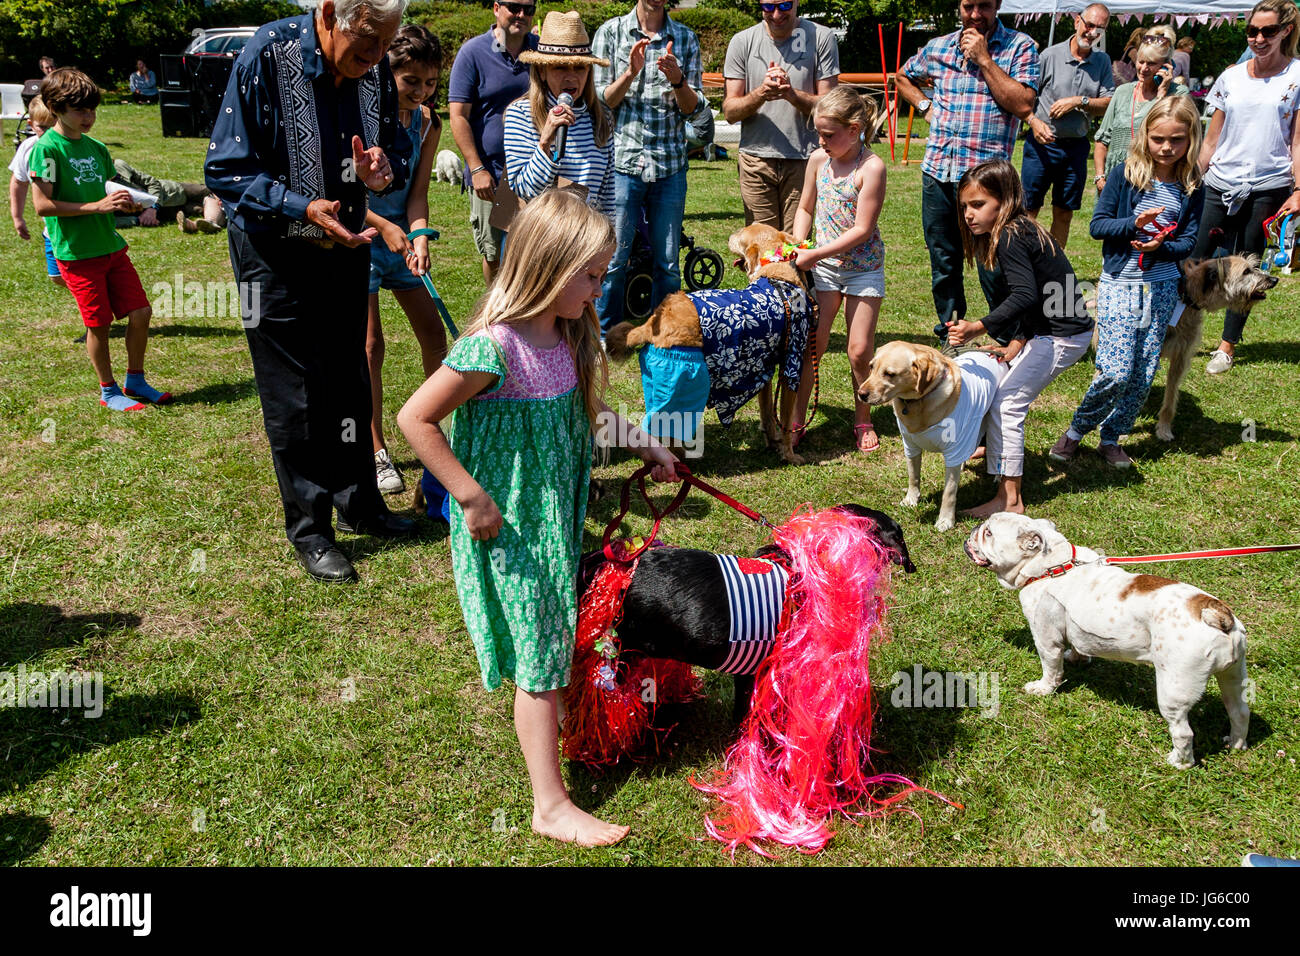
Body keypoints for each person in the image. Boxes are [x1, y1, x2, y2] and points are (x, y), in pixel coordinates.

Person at [396, 189, 679, 847]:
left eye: (602, 274)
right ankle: (548, 806)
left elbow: (586, 414)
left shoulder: (566, 337)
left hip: (553, 521)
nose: (598, 288)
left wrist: (644, 442)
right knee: (540, 660)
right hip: (509, 528)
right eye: (590, 275)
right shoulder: (490, 350)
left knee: (549, 643)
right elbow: (416, 418)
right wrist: (469, 495)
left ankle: (560, 764)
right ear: (548, 268)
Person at [204, 0, 417, 583]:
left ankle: (361, 503)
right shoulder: (266, 54)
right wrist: (302, 208)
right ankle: (312, 528)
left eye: (385, 44)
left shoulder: (372, 69)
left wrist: (382, 169)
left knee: (347, 375)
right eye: (367, 40)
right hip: (275, 250)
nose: (376, 57)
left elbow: (394, 146)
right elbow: (224, 171)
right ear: (329, 13)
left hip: (343, 244)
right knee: (294, 392)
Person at [1051, 96, 1204, 470]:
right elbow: (1098, 226)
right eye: (1158, 139)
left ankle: (1111, 437)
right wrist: (1134, 225)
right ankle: (1075, 431)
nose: (1166, 147)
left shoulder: (1193, 185)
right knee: (1115, 369)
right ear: (1144, 136)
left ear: (1191, 139)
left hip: (1163, 287)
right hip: (1121, 282)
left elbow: (1188, 243)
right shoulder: (1125, 174)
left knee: (1142, 371)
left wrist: (1161, 244)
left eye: (1177, 140)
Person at [946, 160, 1094, 516]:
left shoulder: (1012, 235)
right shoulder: (1020, 229)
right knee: (1003, 394)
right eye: (964, 205)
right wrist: (1016, 342)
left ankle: (1010, 501)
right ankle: (995, 461)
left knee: (1008, 403)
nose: (968, 214)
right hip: (1051, 329)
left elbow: (1025, 296)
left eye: (978, 205)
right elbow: (1041, 295)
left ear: (1005, 200)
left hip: (1063, 335)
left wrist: (976, 326)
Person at [895, 0, 1039, 334]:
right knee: (944, 262)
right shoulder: (939, 47)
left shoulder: (1021, 47)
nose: (975, 15)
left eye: (984, 6)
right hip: (939, 172)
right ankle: (953, 332)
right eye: (967, 6)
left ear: (999, 5)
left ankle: (1008, 337)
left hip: (988, 182)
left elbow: (1023, 104)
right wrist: (925, 105)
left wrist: (984, 59)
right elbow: (902, 76)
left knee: (997, 263)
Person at [29, 69, 169, 412]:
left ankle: (134, 379)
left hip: (110, 246)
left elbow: (106, 189)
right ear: (54, 107)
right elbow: (42, 205)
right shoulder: (46, 150)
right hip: (77, 253)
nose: (89, 117)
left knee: (141, 312)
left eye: (92, 110)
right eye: (80, 111)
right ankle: (109, 391)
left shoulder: (97, 148)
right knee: (99, 324)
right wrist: (96, 206)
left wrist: (130, 202)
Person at [358, 24, 445, 497]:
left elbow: (418, 192)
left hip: (401, 244)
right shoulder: (364, 115)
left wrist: (419, 234)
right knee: (371, 347)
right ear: (385, 73)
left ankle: (435, 433)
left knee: (435, 336)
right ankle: (375, 451)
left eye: (429, 83)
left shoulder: (428, 123)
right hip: (361, 238)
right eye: (410, 80)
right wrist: (383, 226)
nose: (420, 91)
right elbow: (341, 191)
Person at [1191, 0, 1300, 376]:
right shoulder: (1231, 76)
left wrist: (1298, 190)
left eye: (1268, 31)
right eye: (1252, 31)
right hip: (1220, 182)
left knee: (1248, 264)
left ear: (1286, 30)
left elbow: (1298, 142)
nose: (1258, 38)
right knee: (1196, 258)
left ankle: (1226, 347)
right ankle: (1176, 329)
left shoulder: (1297, 76)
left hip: (1269, 185)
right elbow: (1211, 138)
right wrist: (1194, 177)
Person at [592, 0, 713, 334]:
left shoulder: (685, 39)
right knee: (613, 259)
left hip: (670, 165)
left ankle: (665, 334)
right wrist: (631, 72)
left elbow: (693, 109)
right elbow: (602, 101)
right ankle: (603, 335)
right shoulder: (611, 33)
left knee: (668, 264)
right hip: (622, 163)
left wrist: (678, 81)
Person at [787, 87, 886, 454]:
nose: (822, 141)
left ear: (855, 129)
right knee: (814, 344)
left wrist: (813, 254)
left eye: (829, 134)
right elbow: (806, 208)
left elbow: (862, 230)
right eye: (819, 133)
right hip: (825, 268)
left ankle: (864, 418)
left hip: (862, 270)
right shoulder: (817, 161)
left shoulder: (871, 168)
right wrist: (800, 242)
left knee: (860, 351)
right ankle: (797, 419)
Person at [722, 0, 840, 231]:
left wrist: (791, 95)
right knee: (761, 246)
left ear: (797, 2)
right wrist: (761, 94)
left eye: (784, 5)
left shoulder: (821, 37)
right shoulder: (742, 41)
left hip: (805, 159)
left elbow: (831, 109)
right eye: (768, 7)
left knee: (794, 246)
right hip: (756, 161)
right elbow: (730, 112)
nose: (776, 14)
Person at [448, 0, 538, 285]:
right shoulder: (473, 53)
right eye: (514, 7)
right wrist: (476, 169)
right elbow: (459, 116)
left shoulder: (540, 50)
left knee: (532, 250)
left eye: (529, 9)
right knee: (494, 254)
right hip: (493, 175)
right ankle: (496, 318)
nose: (521, 15)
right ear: (497, 8)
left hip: (535, 171)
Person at [504, 11, 614, 218]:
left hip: (585, 238)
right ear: (542, 72)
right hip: (540, 236)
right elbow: (526, 190)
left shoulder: (601, 118)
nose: (571, 77)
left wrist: (609, 243)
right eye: (561, 68)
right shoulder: (521, 114)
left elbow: (607, 196)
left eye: (580, 68)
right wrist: (545, 143)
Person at [1021, 4, 1113, 249]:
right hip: (1041, 146)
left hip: (1075, 149)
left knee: (1064, 213)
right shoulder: (1049, 56)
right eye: (1089, 25)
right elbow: (1024, 98)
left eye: (1099, 29)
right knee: (1028, 211)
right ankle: (1023, 268)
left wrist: (1078, 102)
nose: (1092, 32)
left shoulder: (1102, 61)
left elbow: (1108, 103)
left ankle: (1052, 268)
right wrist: (1034, 121)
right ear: (1076, 22)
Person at [1093, 39, 1188, 188]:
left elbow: (1165, 127)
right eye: (1141, 61)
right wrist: (1100, 177)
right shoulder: (1122, 92)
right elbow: (1101, 140)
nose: (1144, 68)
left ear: (1166, 66)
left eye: (1151, 63)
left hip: (1152, 179)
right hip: (1115, 180)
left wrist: (1161, 95)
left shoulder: (1178, 93)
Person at [9, 96, 68, 291]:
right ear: (31, 125)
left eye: (53, 127)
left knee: (81, 272)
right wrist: (17, 217)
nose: (48, 133)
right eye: (43, 127)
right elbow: (18, 182)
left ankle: (99, 298)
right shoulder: (28, 148)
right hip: (50, 229)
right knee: (56, 276)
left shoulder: (67, 147)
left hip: (74, 224)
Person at [109, 158, 226, 233]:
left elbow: (152, 182)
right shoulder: (96, 191)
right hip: (167, 212)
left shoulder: (119, 165)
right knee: (206, 207)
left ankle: (196, 225)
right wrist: (137, 220)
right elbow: (107, 220)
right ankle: (210, 223)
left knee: (216, 191)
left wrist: (152, 208)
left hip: (172, 191)